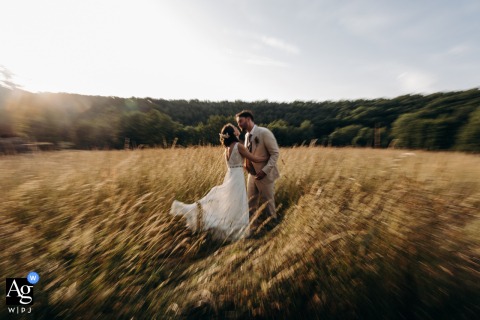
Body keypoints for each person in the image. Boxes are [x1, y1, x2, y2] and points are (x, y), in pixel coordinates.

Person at [170, 123, 267, 241]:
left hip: (231, 176)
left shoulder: (226, 150)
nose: (238, 129)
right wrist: (266, 157)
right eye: (235, 128)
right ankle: (238, 232)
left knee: (232, 204)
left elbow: (241, 163)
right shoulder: (238, 146)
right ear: (233, 133)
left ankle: (236, 230)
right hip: (237, 178)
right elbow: (253, 158)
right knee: (238, 204)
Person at [236, 110, 280, 227]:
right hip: (252, 175)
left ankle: (273, 227)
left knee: (269, 203)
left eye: (241, 121)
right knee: (250, 203)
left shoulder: (264, 132)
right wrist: (246, 164)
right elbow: (249, 153)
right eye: (238, 122)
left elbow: (275, 153)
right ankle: (253, 228)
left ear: (249, 119)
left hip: (265, 175)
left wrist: (264, 171)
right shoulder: (246, 136)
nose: (239, 124)